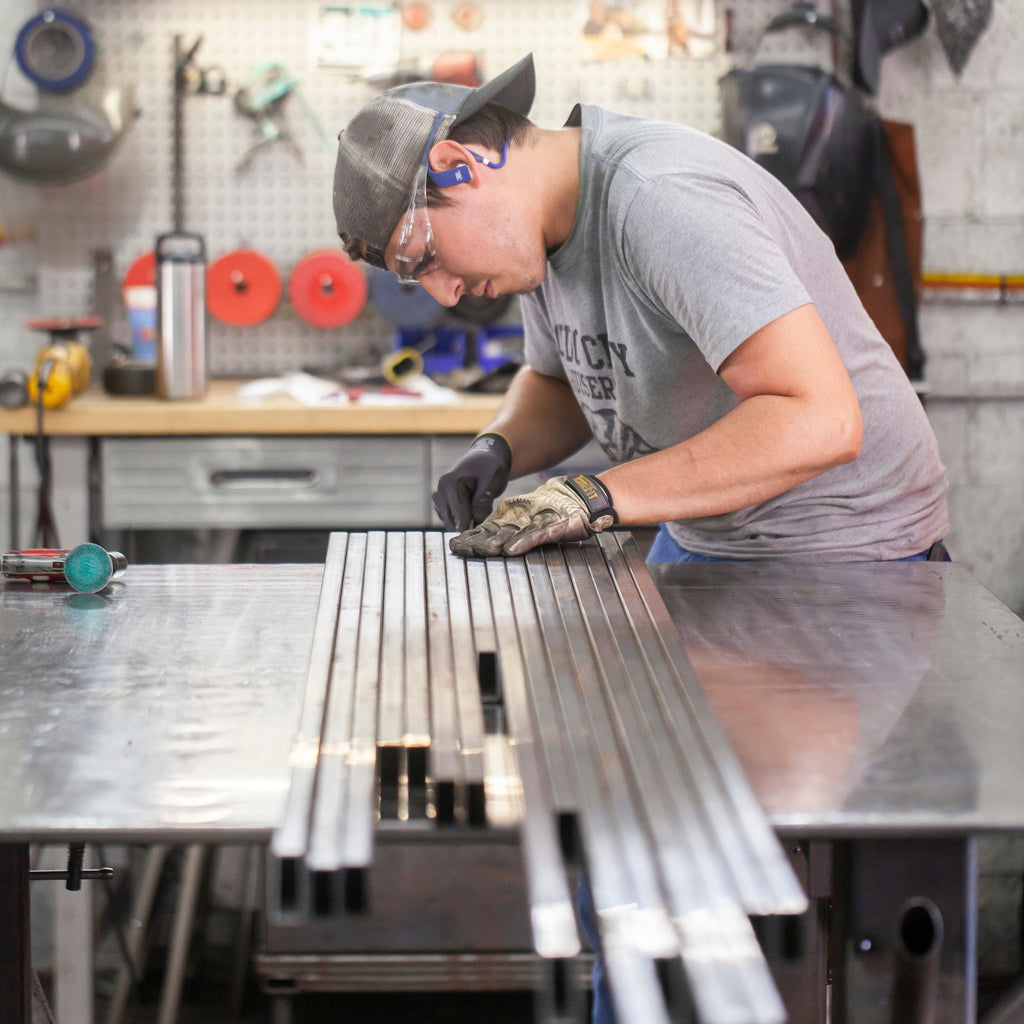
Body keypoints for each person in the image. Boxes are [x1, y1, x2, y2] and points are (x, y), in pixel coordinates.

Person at [332, 52, 949, 1022]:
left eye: (425, 258)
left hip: (839, 559)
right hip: (712, 543)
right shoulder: (541, 230)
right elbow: (562, 378)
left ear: (459, 163)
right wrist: (498, 449)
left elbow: (818, 418)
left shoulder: (660, 199)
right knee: (609, 821)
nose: (444, 294)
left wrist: (591, 493)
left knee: (681, 862)